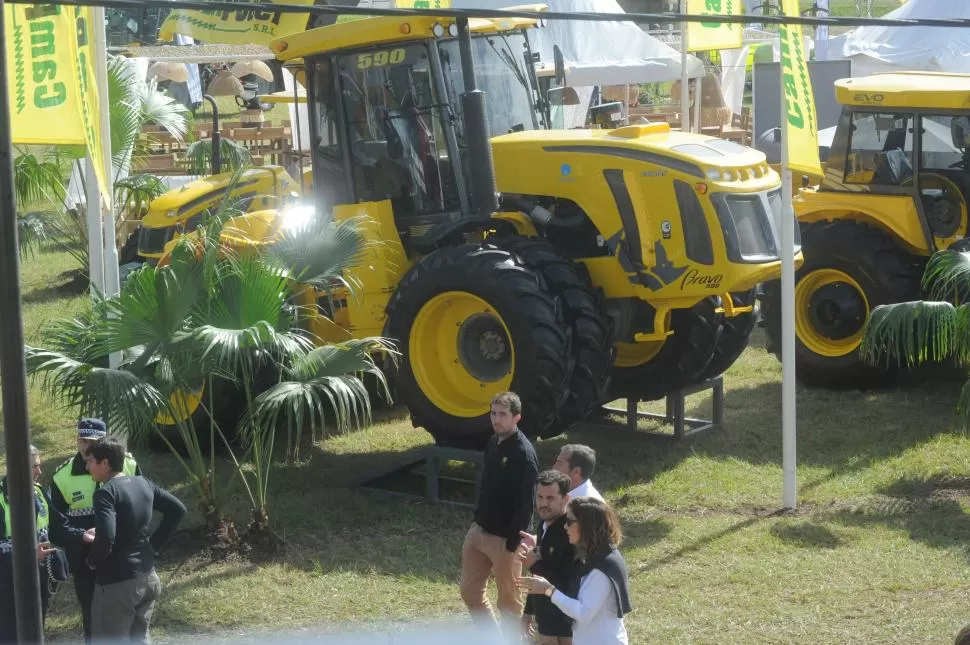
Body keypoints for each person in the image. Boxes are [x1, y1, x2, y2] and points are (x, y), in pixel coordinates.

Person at [84, 439, 186, 643]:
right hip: (148, 577)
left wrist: (93, 561)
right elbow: (178, 510)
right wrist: (152, 545)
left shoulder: (105, 493)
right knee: (139, 638)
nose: (87, 467)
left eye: (90, 461)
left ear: (105, 463)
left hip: (118, 585)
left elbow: (107, 537)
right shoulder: (143, 482)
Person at [49, 418, 140, 643]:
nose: (86, 446)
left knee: (127, 614)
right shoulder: (62, 476)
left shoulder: (128, 464)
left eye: (92, 440)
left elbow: (142, 502)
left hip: (122, 553)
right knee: (92, 614)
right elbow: (57, 526)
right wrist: (80, 538)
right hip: (85, 557)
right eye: (82, 439)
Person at [460, 391, 539, 630]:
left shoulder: (524, 455)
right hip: (479, 530)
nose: (496, 419)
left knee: (509, 604)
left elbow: (526, 504)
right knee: (470, 592)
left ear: (517, 417)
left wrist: (512, 544)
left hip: (505, 540)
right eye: (493, 413)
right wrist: (476, 523)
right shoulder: (493, 442)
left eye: (503, 414)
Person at [518, 496, 632, 645]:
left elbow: (584, 613)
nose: (565, 526)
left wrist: (549, 590)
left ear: (586, 525)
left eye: (569, 522)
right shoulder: (594, 556)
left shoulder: (602, 568)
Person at [0, 445, 85, 644]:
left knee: (35, 633)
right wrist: (27, 553)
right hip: (8, 585)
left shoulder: (38, 492)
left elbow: (58, 527)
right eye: (34, 467)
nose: (39, 472)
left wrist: (82, 535)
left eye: (39, 466)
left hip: (39, 580)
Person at [518, 470, 575, 645]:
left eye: (550, 498)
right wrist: (527, 614)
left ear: (565, 499)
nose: (543, 504)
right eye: (540, 497)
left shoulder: (570, 533)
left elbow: (567, 581)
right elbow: (537, 580)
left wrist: (534, 564)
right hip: (546, 619)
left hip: (564, 622)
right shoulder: (544, 524)